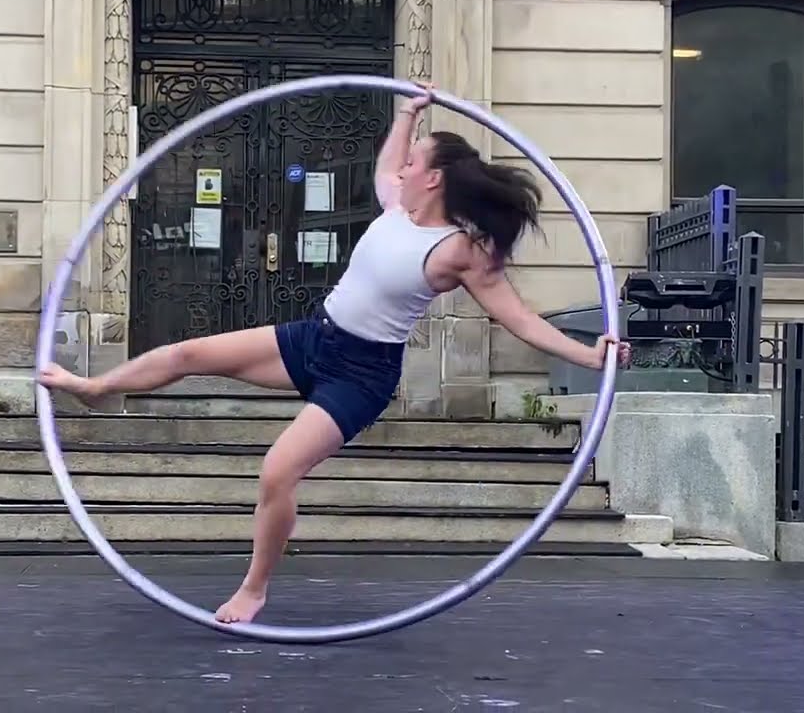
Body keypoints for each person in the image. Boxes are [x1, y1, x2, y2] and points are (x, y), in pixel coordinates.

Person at [37, 83, 632, 624]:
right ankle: (96, 388)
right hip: (315, 337)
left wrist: (591, 358)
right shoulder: (397, 205)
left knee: (277, 470)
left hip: (362, 374)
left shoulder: (459, 250)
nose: (405, 163)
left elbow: (520, 318)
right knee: (187, 352)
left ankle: (254, 589)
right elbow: (385, 162)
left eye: (416, 158)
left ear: (433, 179)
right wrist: (406, 113)